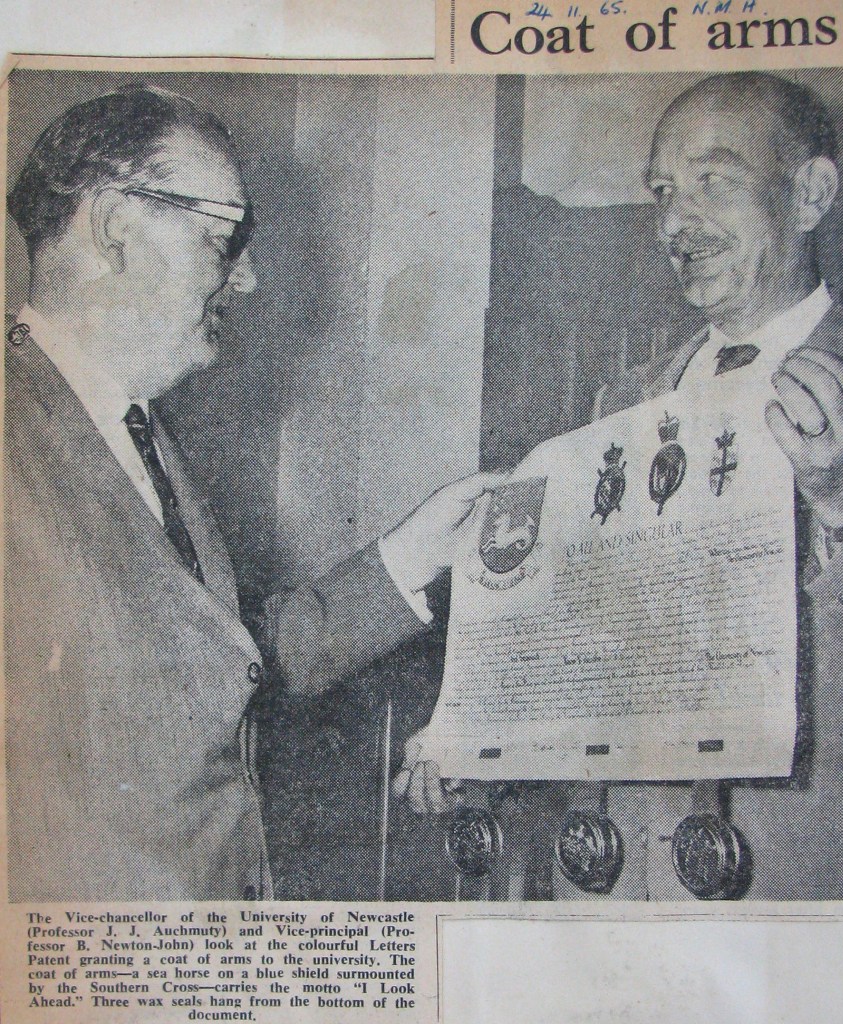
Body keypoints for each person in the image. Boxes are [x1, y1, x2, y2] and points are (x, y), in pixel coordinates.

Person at [4, 85, 503, 901]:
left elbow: (216, 664)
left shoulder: (140, 434)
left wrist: (413, 554)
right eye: (222, 238)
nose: (250, 279)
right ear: (115, 228)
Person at [398, 71, 843, 901]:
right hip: (605, 881)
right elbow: (564, 633)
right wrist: (467, 730)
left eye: (712, 183)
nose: (675, 222)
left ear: (810, 192)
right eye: (661, 192)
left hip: (790, 888)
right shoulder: (616, 407)